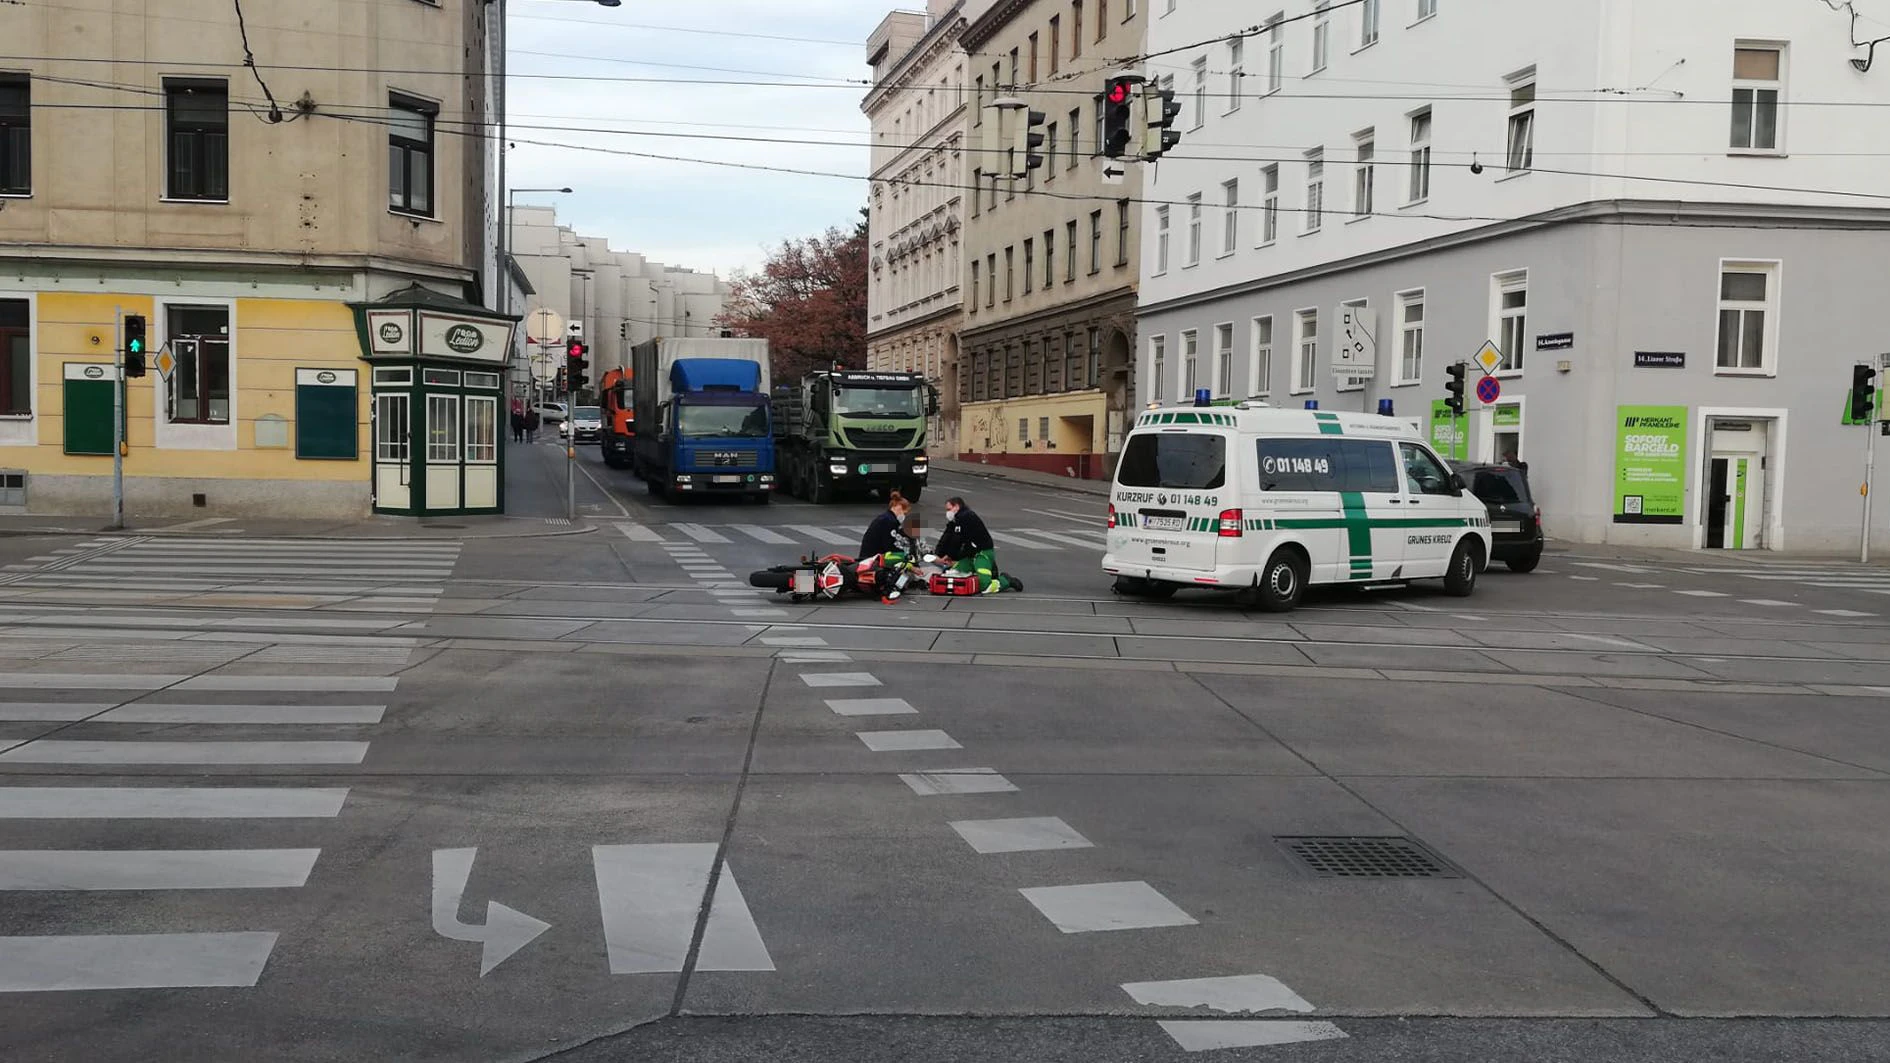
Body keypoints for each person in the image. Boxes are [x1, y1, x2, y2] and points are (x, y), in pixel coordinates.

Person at [934, 496, 1022, 594]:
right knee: (952, 574)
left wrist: (950, 556)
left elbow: (956, 540)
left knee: (985, 585)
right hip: (969, 554)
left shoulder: (965, 517)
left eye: (949, 509)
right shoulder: (956, 520)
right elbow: (947, 536)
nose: (947, 513)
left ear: (957, 507)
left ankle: (1006, 580)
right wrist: (939, 553)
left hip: (982, 553)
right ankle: (985, 572)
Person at [858, 490, 915, 560]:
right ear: (898, 507)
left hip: (868, 557)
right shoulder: (889, 521)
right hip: (874, 560)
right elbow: (890, 546)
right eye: (904, 513)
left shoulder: (886, 518)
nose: (904, 516)